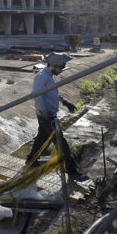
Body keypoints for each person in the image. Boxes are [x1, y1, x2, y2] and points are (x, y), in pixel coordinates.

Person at [25, 53, 88, 181]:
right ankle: (72, 171)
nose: (61, 70)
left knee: (42, 139)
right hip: (46, 116)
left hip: (48, 114)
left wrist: (65, 102)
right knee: (61, 143)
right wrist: (43, 111)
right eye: (60, 68)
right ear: (53, 66)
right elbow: (37, 95)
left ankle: (31, 160)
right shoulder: (42, 77)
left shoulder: (49, 76)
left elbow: (52, 93)